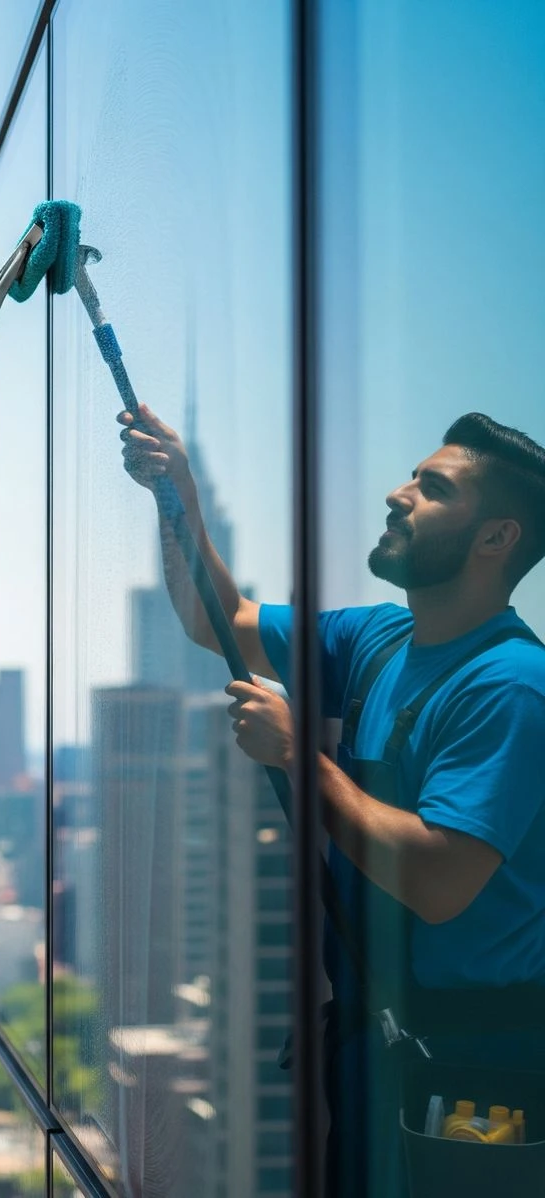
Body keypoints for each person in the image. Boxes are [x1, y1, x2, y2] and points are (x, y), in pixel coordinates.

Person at [118, 405, 545, 1196]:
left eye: (434, 488)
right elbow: (219, 620)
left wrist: (298, 758)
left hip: (477, 1071)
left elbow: (441, 883)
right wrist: (175, 494)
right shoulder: (376, 639)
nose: (398, 493)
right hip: (379, 1047)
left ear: (497, 538)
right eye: (412, 476)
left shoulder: (512, 687)